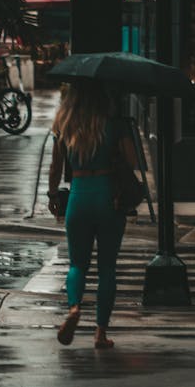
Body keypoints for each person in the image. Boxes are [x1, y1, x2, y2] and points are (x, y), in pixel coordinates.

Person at [47, 80, 137, 349]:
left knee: (77, 264)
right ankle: (100, 333)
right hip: (108, 195)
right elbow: (133, 161)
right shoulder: (113, 123)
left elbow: (55, 166)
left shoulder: (64, 125)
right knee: (107, 267)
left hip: (78, 195)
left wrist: (53, 195)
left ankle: (74, 308)